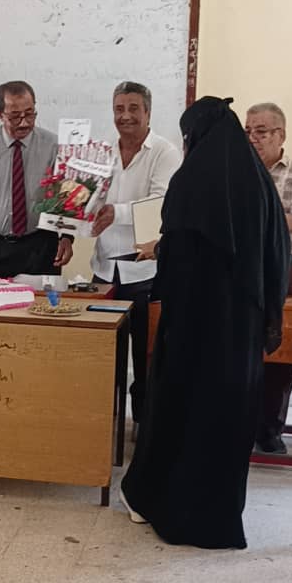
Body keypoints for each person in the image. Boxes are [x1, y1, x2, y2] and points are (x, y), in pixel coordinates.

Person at [120, 97, 290, 550]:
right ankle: (218, 519)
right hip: (240, 336)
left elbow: (179, 258)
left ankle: (158, 502)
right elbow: (276, 256)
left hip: (193, 333)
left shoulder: (191, 181)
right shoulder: (259, 184)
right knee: (225, 422)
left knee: (179, 413)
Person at [91, 82, 181, 425]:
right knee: (103, 356)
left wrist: (115, 213)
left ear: (148, 112)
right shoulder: (101, 151)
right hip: (104, 271)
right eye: (119, 109)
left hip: (146, 273)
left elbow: (160, 205)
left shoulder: (165, 152)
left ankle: (145, 429)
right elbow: (87, 198)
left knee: (146, 358)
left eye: (133, 108)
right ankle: (105, 425)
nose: (125, 116)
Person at [0, 80, 73, 277]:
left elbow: (67, 195)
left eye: (30, 114)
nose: (24, 122)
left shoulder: (54, 146)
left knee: (41, 298)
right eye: (15, 116)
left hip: (42, 246)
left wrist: (67, 237)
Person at [245, 102, 292, 455]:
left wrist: (286, 221)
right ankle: (240, 423)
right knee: (243, 348)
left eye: (261, 131)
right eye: (248, 131)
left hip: (288, 269)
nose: (253, 138)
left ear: (280, 135)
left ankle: (270, 427)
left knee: (283, 349)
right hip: (244, 271)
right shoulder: (239, 171)